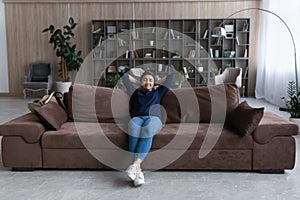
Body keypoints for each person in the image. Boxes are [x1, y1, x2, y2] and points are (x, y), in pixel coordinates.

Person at [122, 69, 175, 187]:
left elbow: (171, 77)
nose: (148, 82)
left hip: (154, 119)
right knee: (133, 127)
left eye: (150, 80)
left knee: (147, 129)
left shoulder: (158, 92)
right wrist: (139, 81)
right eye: (145, 80)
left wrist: (155, 82)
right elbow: (124, 77)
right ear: (141, 82)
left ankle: (134, 166)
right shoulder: (135, 92)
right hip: (137, 118)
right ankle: (138, 171)